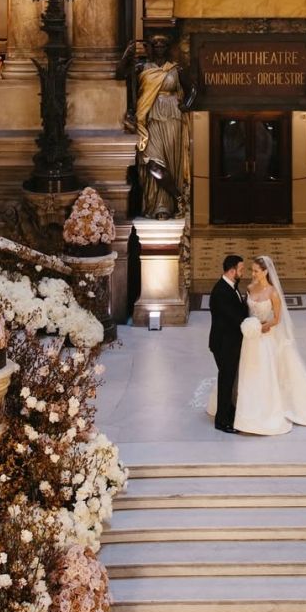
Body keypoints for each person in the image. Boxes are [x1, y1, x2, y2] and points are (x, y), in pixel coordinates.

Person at [232, 256, 306, 436]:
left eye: (256, 270)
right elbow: (248, 311)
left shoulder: (273, 293)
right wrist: (249, 327)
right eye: (252, 270)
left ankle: (267, 410)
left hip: (265, 337)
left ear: (265, 272)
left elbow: (277, 319)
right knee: (249, 371)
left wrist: (260, 328)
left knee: (264, 372)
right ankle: (247, 411)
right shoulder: (249, 288)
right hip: (250, 338)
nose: (253, 274)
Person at [116, 33, 194, 219]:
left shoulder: (175, 69)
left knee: (171, 161)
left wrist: (187, 104)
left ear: (168, 48)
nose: (159, 47)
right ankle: (172, 198)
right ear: (150, 47)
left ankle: (166, 207)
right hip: (149, 117)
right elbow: (120, 74)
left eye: (163, 44)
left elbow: (193, 89)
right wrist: (126, 56)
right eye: (155, 44)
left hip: (173, 118)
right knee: (152, 162)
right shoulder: (142, 67)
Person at [208, 254, 247, 433]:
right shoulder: (221, 292)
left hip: (230, 342)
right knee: (226, 381)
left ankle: (229, 412)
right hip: (224, 344)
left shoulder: (230, 286)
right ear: (232, 271)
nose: (242, 272)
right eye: (241, 269)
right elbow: (235, 318)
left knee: (230, 380)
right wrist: (255, 324)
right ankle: (222, 421)